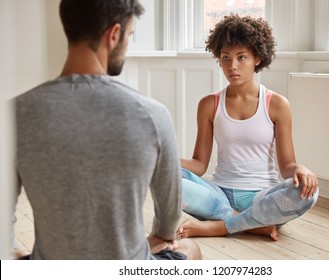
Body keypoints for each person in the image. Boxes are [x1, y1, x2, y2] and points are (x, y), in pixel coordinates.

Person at [13, 0, 201, 260]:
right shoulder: (153, 114)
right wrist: (158, 237)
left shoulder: (14, 114)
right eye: (130, 36)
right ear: (113, 35)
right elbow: (169, 220)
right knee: (190, 248)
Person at [177, 14, 319, 241]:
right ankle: (251, 223)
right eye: (225, 57)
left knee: (308, 192)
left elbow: (287, 166)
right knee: (166, 176)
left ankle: (221, 226)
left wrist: (301, 169)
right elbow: (199, 165)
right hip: (219, 196)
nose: (232, 66)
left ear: (258, 59)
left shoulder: (277, 105)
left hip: (262, 198)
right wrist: (162, 160)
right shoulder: (208, 105)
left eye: (241, 57)